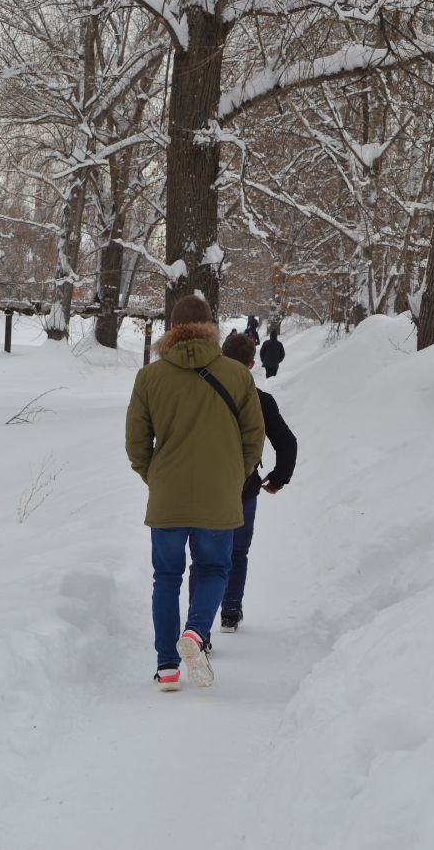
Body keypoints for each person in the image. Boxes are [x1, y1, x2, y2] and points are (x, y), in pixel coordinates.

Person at [125, 295, 265, 691]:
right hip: (220, 494)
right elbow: (254, 437)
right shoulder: (237, 376)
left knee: (166, 578)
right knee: (216, 569)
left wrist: (154, 476)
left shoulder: (149, 378)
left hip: (167, 494)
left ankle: (167, 667)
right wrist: (235, 476)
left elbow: (137, 442)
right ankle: (195, 632)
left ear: (171, 329)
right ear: (211, 327)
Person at [189, 332, 297, 634]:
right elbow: (287, 443)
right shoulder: (261, 400)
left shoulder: (198, 394)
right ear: (252, 364)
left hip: (202, 486)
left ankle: (198, 628)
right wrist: (277, 479)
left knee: (201, 558)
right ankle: (230, 611)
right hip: (244, 487)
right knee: (237, 551)